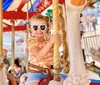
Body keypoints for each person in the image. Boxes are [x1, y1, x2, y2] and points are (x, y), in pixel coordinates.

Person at [25, 14, 62, 85]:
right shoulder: (31, 42)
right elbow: (39, 56)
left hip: (50, 72)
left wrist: (59, 28)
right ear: (31, 30)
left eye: (42, 27)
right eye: (35, 27)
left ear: (47, 28)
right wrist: (51, 42)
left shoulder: (47, 41)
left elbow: (59, 44)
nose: (39, 30)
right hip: (35, 74)